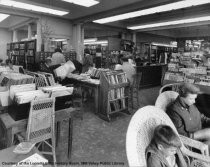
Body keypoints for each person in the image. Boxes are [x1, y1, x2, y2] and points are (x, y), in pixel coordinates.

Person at [166, 83, 210, 147]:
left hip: (199, 134)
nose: (194, 101)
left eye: (195, 98)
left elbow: (201, 117)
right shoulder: (173, 111)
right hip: (190, 142)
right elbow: (179, 136)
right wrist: (203, 134)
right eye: (191, 98)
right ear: (181, 97)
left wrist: (209, 120)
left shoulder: (190, 104)